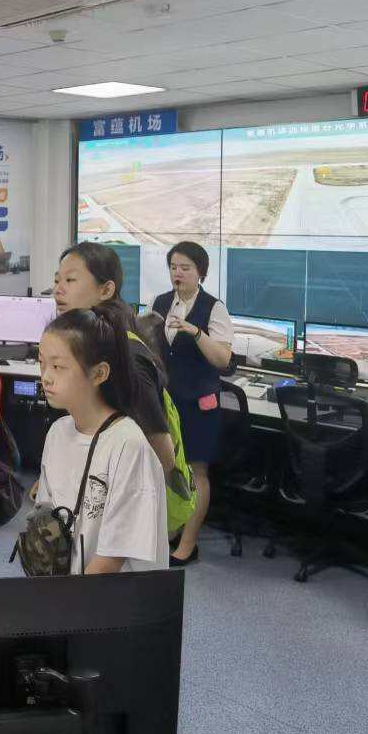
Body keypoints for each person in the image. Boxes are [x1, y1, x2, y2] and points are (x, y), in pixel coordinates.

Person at [53, 242, 189, 557]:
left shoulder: (126, 355)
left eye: (70, 280)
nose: (58, 289)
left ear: (106, 290)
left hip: (123, 517)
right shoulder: (93, 345)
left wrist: (116, 508)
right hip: (95, 504)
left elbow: (162, 456)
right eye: (57, 279)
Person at [31, 304, 167, 574]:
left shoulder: (127, 444)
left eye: (58, 366)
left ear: (99, 373)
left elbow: (111, 559)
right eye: (42, 363)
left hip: (108, 592)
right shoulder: (58, 431)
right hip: (69, 587)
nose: (45, 377)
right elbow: (47, 518)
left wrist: (69, 598)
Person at [148, 242, 233, 565]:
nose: (178, 273)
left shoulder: (213, 308)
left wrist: (195, 332)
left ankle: (188, 543)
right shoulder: (160, 303)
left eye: (186, 268)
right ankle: (169, 530)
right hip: (166, 400)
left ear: (201, 273)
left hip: (199, 403)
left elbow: (222, 359)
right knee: (166, 467)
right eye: (174, 267)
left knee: (196, 471)